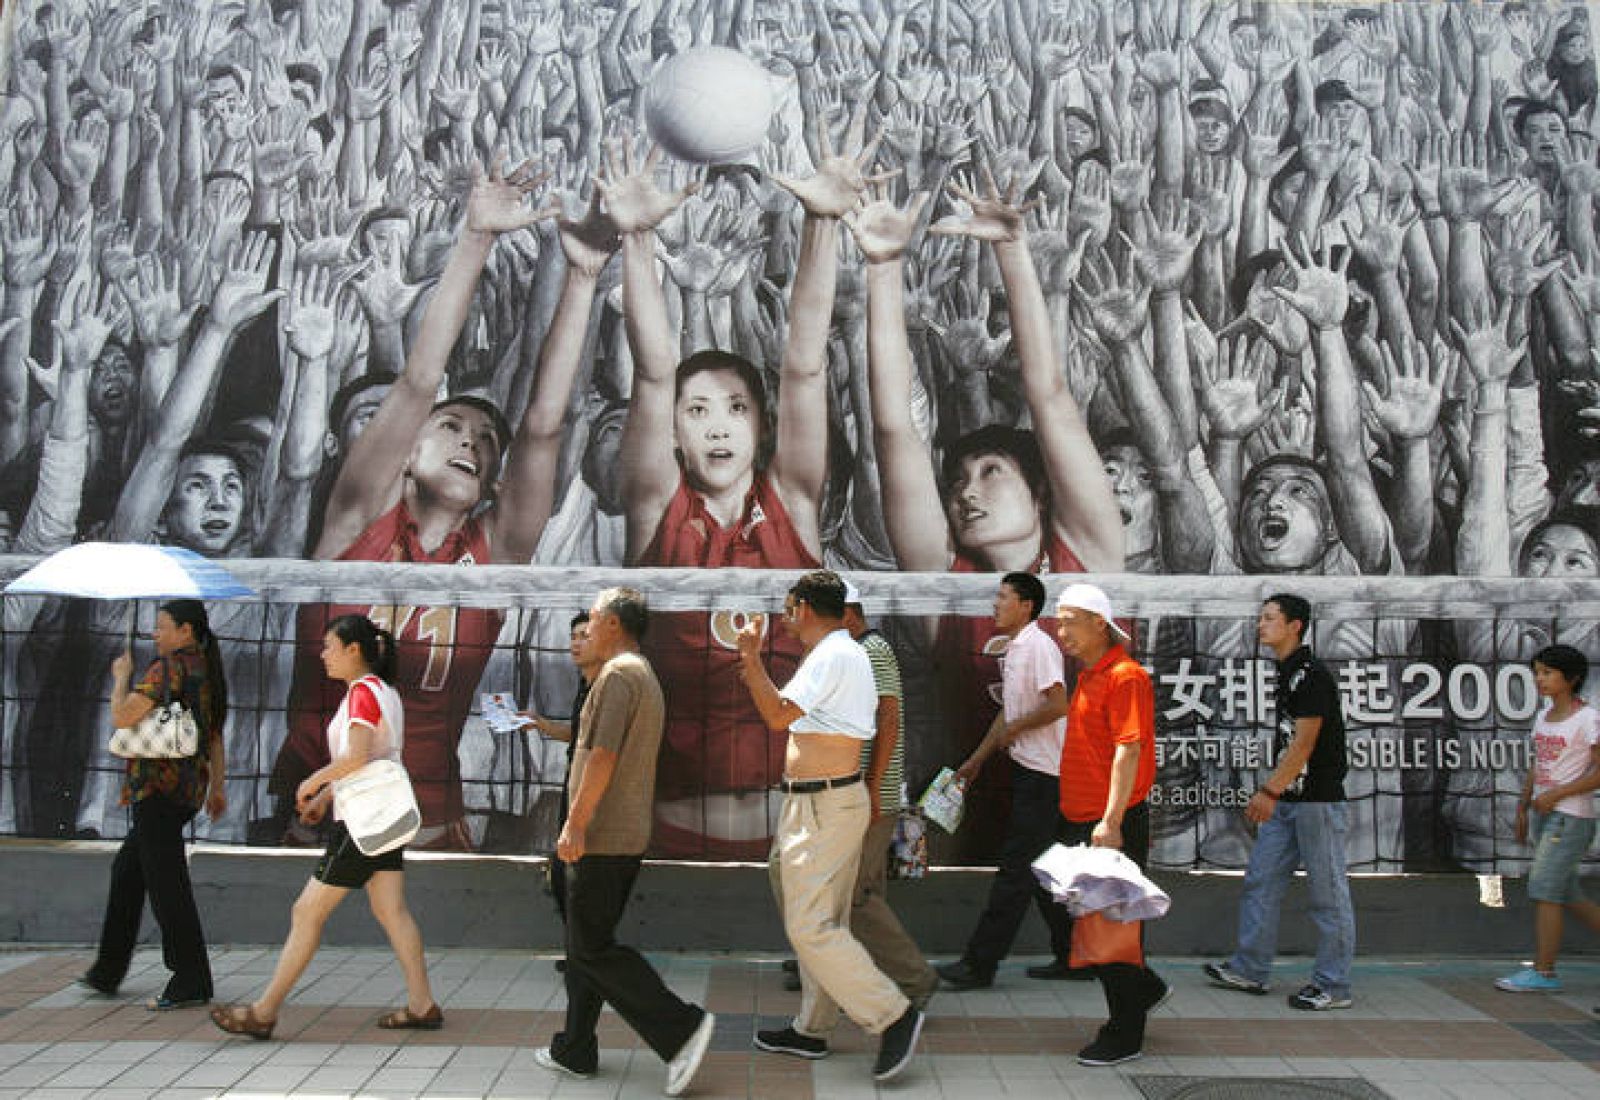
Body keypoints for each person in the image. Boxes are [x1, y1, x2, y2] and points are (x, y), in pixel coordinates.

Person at [210, 614, 441, 1039]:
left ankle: (264, 1012)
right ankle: (422, 1004)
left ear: (354, 650)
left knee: (307, 911)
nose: (323, 655)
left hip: (361, 824)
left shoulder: (362, 694)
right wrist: (323, 798)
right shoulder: (383, 692)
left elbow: (355, 759)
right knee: (391, 910)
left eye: (330, 647)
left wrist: (312, 781)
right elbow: (371, 760)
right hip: (379, 817)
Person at [740, 570, 923, 1084]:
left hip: (826, 806)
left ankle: (893, 1013)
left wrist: (751, 657)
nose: (782, 615)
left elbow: (776, 716)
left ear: (801, 607)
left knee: (809, 926)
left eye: (787, 606)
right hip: (821, 804)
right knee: (825, 922)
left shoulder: (836, 654)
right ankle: (813, 1027)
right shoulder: (836, 653)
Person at [533, 588, 715, 1097]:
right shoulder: (640, 673)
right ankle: (575, 1048)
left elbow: (602, 757)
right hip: (618, 834)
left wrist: (575, 825)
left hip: (602, 836)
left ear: (613, 624)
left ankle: (682, 1028)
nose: (585, 629)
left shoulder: (618, 677)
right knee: (586, 946)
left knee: (589, 951)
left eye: (591, 619)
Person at [782, 580, 938, 1006]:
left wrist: (872, 789)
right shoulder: (845, 654)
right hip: (858, 789)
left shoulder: (871, 651)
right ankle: (836, 971)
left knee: (858, 896)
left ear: (846, 613)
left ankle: (912, 980)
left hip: (867, 792)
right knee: (849, 892)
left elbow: (889, 720)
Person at [1205, 593, 1357, 1011]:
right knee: (1261, 880)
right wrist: (1277, 792)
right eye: (1260, 618)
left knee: (1327, 895)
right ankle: (1250, 969)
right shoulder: (1287, 671)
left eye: (1270, 618)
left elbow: (1304, 743)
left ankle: (1334, 984)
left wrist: (1269, 790)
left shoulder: (1311, 676)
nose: (1261, 625)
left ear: (1295, 626)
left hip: (1316, 803)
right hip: (1288, 800)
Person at [81, 600, 227, 1009]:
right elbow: (214, 735)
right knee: (128, 870)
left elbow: (123, 717)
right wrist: (217, 787)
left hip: (157, 790)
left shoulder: (167, 669)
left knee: (168, 887)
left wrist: (120, 679)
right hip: (186, 791)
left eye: (162, 627)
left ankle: (190, 980)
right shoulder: (207, 670)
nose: (155, 635)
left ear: (185, 631)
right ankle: (107, 969)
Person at [936, 573, 1076, 990]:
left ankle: (980, 964)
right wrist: (978, 758)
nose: (994, 605)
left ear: (1026, 605)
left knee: (1015, 871)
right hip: (1028, 771)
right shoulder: (1017, 649)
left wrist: (1017, 728)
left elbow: (1057, 705)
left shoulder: (1040, 646)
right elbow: (1008, 712)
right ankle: (1074, 955)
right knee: (1044, 870)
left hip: (1045, 778)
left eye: (1003, 598)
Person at [1053, 583, 1167, 1067]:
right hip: (1082, 819)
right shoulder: (1088, 676)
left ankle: (1124, 1033)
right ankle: (1144, 988)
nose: (1062, 633)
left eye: (1070, 622)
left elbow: (1130, 748)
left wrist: (1111, 821)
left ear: (1100, 623)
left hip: (1108, 824)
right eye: (1058, 622)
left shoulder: (1125, 676)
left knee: (1113, 932)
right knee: (1082, 920)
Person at [1494, 644, 1600, 992]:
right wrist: (1524, 805)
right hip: (1543, 814)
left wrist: (1557, 794)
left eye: (1548, 673)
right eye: (1537, 672)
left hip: (1570, 817)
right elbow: (1538, 765)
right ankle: (1543, 969)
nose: (1540, 679)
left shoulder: (1588, 719)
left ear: (1571, 679)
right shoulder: (1543, 717)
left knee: (1544, 890)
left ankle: (1544, 971)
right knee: (1566, 891)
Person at [518, 612, 596, 970]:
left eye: (585, 635)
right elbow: (580, 735)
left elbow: (601, 750)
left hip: (588, 793)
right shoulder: (586, 684)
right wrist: (542, 724)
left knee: (577, 875)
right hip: (573, 785)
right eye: (573, 636)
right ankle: (579, 950)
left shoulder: (607, 683)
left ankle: (587, 953)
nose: (577, 643)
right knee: (566, 873)